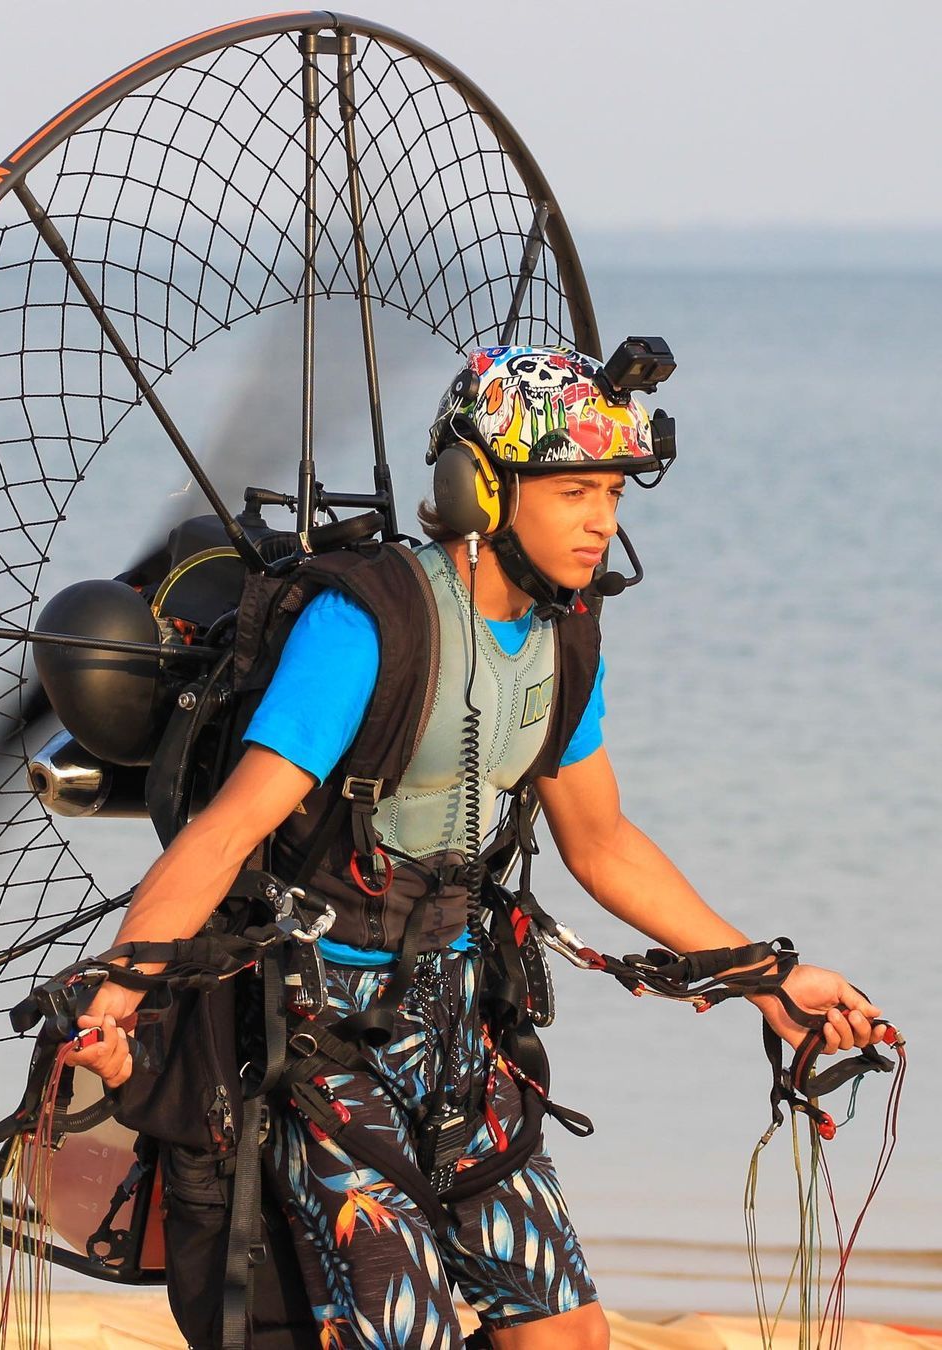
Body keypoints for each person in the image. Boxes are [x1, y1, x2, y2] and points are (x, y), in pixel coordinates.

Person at [72, 344, 886, 1350]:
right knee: (401, 1328)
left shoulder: (564, 637)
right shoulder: (369, 626)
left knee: (567, 1334)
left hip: (458, 1029)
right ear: (478, 487)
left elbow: (603, 841)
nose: (603, 520)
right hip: (317, 1043)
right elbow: (231, 824)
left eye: (616, 492)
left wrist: (768, 978)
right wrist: (122, 985)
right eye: (574, 489)